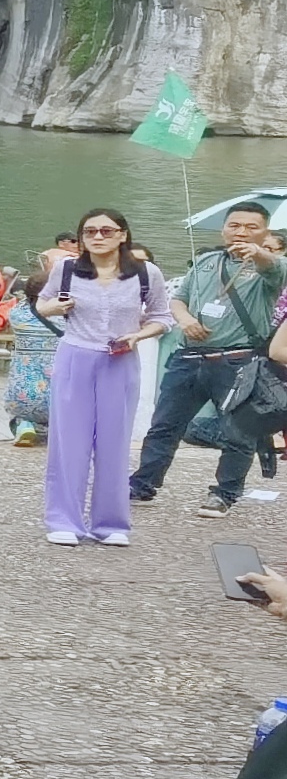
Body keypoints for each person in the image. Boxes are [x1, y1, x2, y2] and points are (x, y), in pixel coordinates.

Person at [132, 199, 284, 513]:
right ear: (223, 229)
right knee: (164, 425)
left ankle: (225, 494)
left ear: (265, 232)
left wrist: (258, 253)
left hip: (238, 360)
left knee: (238, 432)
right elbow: (179, 300)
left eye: (251, 227)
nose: (241, 232)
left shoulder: (271, 267)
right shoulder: (206, 261)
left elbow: (271, 266)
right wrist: (185, 319)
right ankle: (142, 484)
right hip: (188, 357)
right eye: (234, 225)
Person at [34, 209, 169, 546]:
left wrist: (138, 335)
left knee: (114, 442)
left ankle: (111, 524)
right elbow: (42, 304)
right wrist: (55, 308)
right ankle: (64, 520)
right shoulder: (67, 269)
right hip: (75, 355)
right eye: (90, 231)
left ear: (122, 235)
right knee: (69, 442)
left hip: (120, 359)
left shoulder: (145, 273)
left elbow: (162, 317)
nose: (97, 237)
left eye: (106, 231)